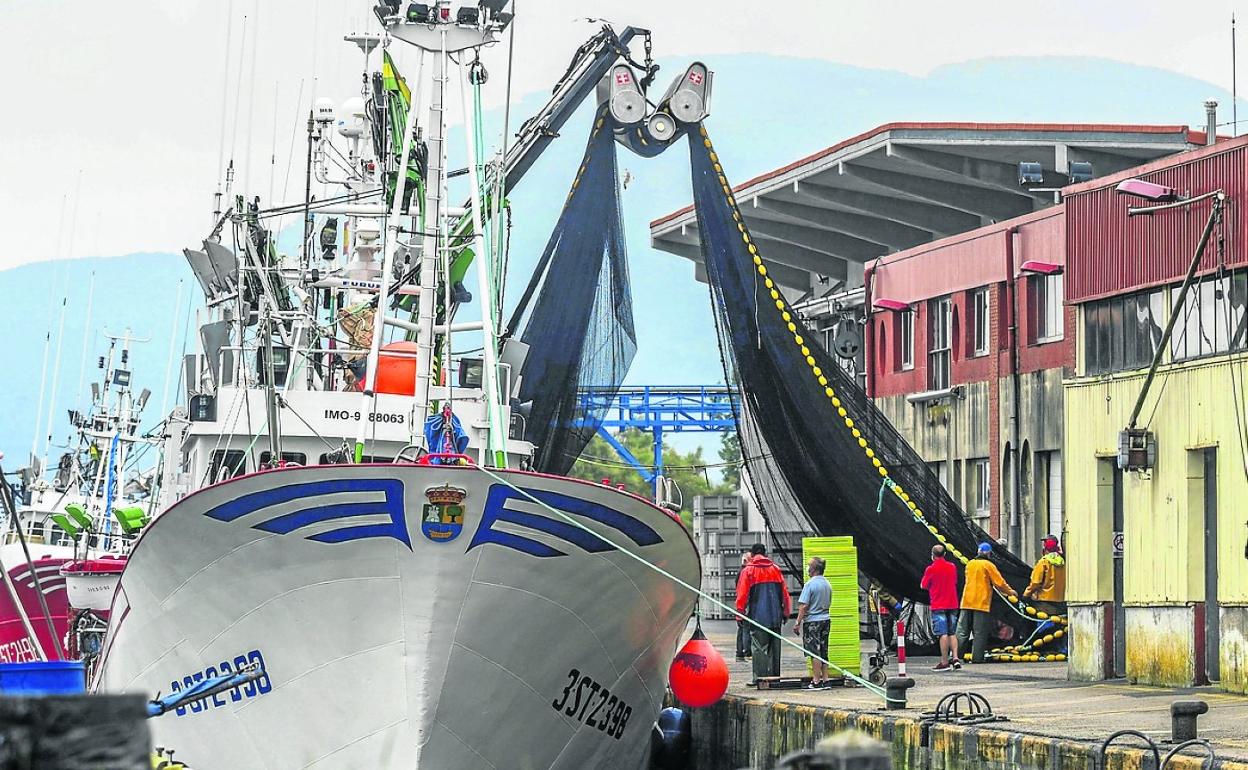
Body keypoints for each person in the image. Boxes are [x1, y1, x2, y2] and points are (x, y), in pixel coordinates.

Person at [735, 542, 791, 683]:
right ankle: (774, 677)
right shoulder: (776, 569)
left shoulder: (748, 571)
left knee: (759, 648)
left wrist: (739, 613)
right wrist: (786, 612)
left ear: (752, 555)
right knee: (775, 648)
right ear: (765, 554)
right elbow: (785, 594)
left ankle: (760, 678)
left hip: (758, 617)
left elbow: (742, 595)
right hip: (775, 616)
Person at [955, 542, 1017, 663]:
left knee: (962, 631)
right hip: (981, 603)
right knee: (979, 632)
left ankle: (956, 656)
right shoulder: (988, 565)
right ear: (988, 553)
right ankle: (977, 658)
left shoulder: (970, 564)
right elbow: (999, 583)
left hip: (966, 602)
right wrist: (1010, 592)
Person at [792, 556, 833, 689]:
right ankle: (826, 680)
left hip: (813, 621)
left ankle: (816, 681)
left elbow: (803, 606)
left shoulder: (810, 584)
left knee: (814, 652)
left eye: (809, 566)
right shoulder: (827, 583)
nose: (807, 568)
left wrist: (797, 622)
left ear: (814, 569)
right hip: (826, 619)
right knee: (824, 649)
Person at [920, 544, 961, 671]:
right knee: (952, 632)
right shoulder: (952, 567)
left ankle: (944, 662)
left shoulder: (930, 569)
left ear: (932, 555)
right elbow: (954, 581)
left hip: (939, 604)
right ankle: (955, 658)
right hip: (952, 603)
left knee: (943, 634)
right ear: (944, 554)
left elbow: (923, 585)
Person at [1024, 534, 1067, 616]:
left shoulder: (1043, 562)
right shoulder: (1063, 562)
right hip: (1061, 600)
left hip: (1044, 602)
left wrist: (1026, 594)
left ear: (1045, 548)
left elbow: (1035, 582)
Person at [735, 552, 752, 660]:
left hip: (740, 604)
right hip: (745, 605)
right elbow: (743, 592)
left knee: (741, 629)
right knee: (746, 628)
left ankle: (739, 652)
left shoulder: (740, 573)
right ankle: (747, 652)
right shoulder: (745, 573)